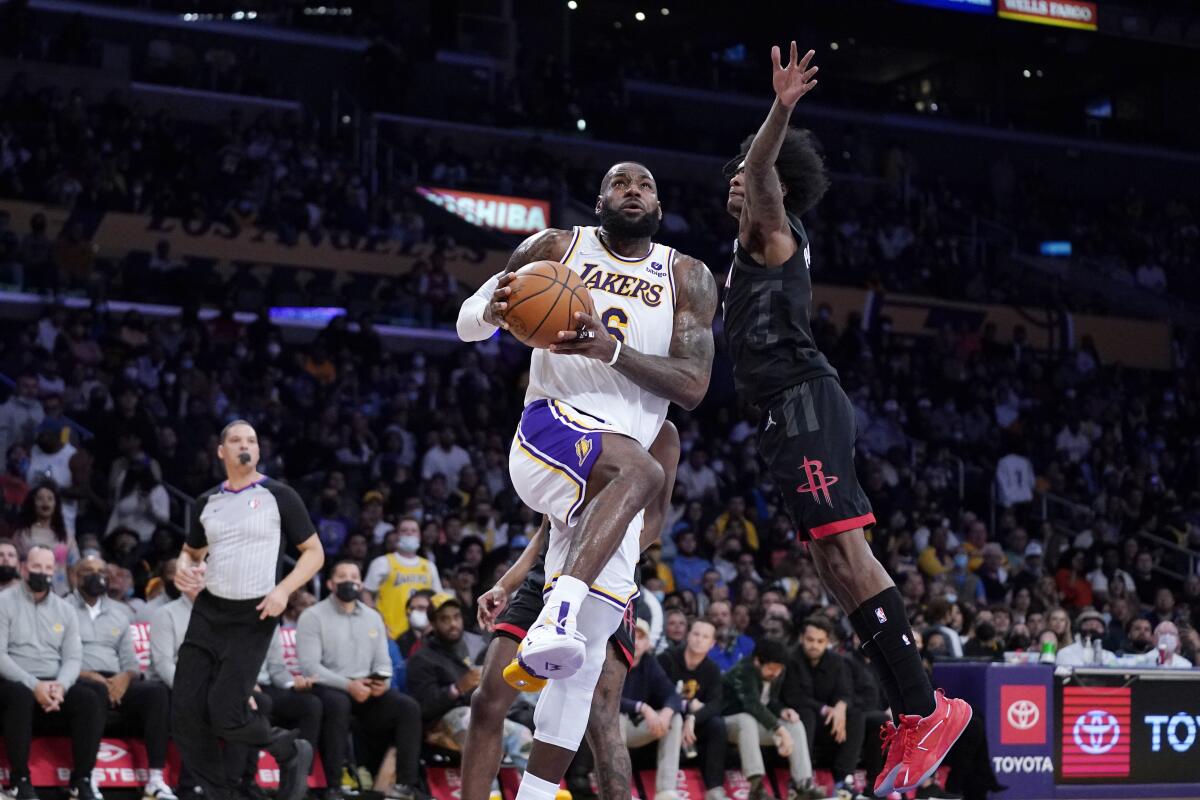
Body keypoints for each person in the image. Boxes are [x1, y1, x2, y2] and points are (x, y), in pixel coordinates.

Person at [720, 43, 970, 796]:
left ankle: (928, 709)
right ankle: (912, 710)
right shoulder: (749, 251)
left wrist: (781, 107)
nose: (736, 178)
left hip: (803, 398)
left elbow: (763, 170)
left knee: (847, 553)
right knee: (832, 564)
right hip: (780, 410)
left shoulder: (773, 227)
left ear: (777, 185)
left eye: (748, 170)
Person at [458, 160, 716, 800]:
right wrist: (488, 309)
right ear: (600, 199)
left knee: (578, 678)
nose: (634, 190)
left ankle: (537, 795)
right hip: (550, 427)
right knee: (640, 470)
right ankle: (559, 613)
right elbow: (467, 322)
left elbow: (693, 387)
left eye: (646, 184)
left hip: (604, 492)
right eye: (620, 183)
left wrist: (612, 349)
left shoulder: (687, 276)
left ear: (659, 204)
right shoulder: (556, 247)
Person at [460, 421, 680, 800]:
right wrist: (506, 583)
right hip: (550, 565)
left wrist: (608, 553)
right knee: (488, 697)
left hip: (613, 568)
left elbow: (655, 520)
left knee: (602, 712)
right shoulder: (578, 410)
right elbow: (549, 523)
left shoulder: (662, 431)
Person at [173, 420, 324, 800]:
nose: (245, 445)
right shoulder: (206, 502)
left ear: (258, 451)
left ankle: (289, 748)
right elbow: (191, 551)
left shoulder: (279, 495)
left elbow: (314, 553)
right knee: (185, 715)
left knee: (225, 712)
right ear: (221, 451)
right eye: (236, 440)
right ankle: (220, 794)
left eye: (252, 440)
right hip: (208, 612)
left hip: (255, 614)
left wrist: (284, 590)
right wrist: (182, 568)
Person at [296, 558, 424, 800]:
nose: (349, 582)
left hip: (366, 689)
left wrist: (382, 682)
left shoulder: (372, 617)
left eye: (354, 577)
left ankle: (406, 785)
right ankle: (333, 784)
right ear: (331, 583)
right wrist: (347, 685)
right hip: (329, 688)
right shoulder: (312, 616)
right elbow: (310, 666)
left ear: (361, 583)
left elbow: (383, 661)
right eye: (343, 577)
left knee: (408, 707)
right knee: (338, 702)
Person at [0, 545, 106, 800]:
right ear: (24, 568)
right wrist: (33, 684)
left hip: (53, 684)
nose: (43, 573)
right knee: (19, 694)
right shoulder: (3, 602)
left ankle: (81, 780)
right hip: (13, 681)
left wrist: (61, 685)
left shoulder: (65, 610)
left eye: (49, 568)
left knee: (90, 699)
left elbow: (72, 657)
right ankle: (19, 780)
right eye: (37, 567)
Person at [69, 555, 175, 800]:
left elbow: (130, 661)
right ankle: (86, 776)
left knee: (156, 693)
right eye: (88, 571)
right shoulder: (62, 608)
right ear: (75, 576)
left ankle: (156, 779)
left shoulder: (121, 612)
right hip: (79, 677)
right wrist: (89, 676)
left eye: (101, 571)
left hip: (116, 679)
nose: (96, 576)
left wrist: (124, 679)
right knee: (91, 693)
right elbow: (56, 658)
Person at [406, 593, 530, 767]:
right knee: (474, 723)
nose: (453, 624)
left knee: (522, 733)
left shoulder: (475, 646)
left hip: (480, 711)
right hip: (443, 720)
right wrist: (457, 688)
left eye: (456, 617)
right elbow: (424, 707)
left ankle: (542, 792)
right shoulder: (422, 659)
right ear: (433, 624)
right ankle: (488, 792)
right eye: (445, 619)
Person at [721, 639, 817, 800]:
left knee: (795, 725)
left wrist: (783, 711)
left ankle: (803, 785)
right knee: (747, 719)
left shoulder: (777, 671)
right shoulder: (743, 670)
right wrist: (780, 731)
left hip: (754, 725)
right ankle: (756, 786)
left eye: (778, 669)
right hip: (728, 721)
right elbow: (752, 705)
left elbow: (769, 701)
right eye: (771, 669)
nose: (775, 673)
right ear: (757, 661)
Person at [783, 617, 864, 797]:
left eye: (820, 641)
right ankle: (802, 780)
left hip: (830, 723)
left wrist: (840, 708)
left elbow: (846, 692)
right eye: (810, 640)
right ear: (801, 638)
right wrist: (825, 709)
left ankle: (844, 779)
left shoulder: (836, 661)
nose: (814, 645)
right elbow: (792, 696)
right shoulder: (790, 659)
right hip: (800, 718)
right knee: (806, 713)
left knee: (857, 715)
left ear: (828, 642)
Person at [658, 619, 727, 800]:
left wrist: (693, 718)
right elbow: (659, 695)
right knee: (675, 719)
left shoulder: (712, 669)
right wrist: (688, 707)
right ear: (688, 636)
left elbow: (716, 703)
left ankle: (714, 789)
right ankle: (666, 790)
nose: (699, 640)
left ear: (711, 644)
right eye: (696, 634)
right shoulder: (667, 659)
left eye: (705, 637)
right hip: (666, 717)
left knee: (717, 725)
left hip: (692, 724)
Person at [620, 619, 683, 800]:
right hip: (606, 732)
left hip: (633, 730)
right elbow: (607, 700)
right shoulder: (612, 659)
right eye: (632, 636)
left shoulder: (650, 663)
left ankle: (666, 791)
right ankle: (619, 789)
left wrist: (667, 711)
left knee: (674, 718)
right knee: (616, 717)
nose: (636, 642)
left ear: (648, 643)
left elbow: (672, 694)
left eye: (641, 637)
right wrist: (642, 707)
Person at [364, 516, 442, 639]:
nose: (409, 533)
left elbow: (438, 599)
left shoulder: (429, 566)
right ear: (397, 535)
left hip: (422, 636)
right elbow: (366, 592)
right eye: (404, 530)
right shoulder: (382, 562)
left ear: (420, 536)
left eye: (413, 530)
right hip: (390, 634)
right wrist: (376, 622)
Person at [12, 483, 77, 596]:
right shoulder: (22, 535)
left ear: (56, 504)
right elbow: (15, 567)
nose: (45, 502)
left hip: (62, 595)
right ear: (33, 503)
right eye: (40, 498)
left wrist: (76, 596)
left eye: (50, 498)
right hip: (29, 594)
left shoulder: (66, 536)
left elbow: (73, 569)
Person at [397, 588, 435, 658]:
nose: (415, 613)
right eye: (412, 609)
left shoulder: (444, 639)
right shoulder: (401, 641)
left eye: (421, 608)